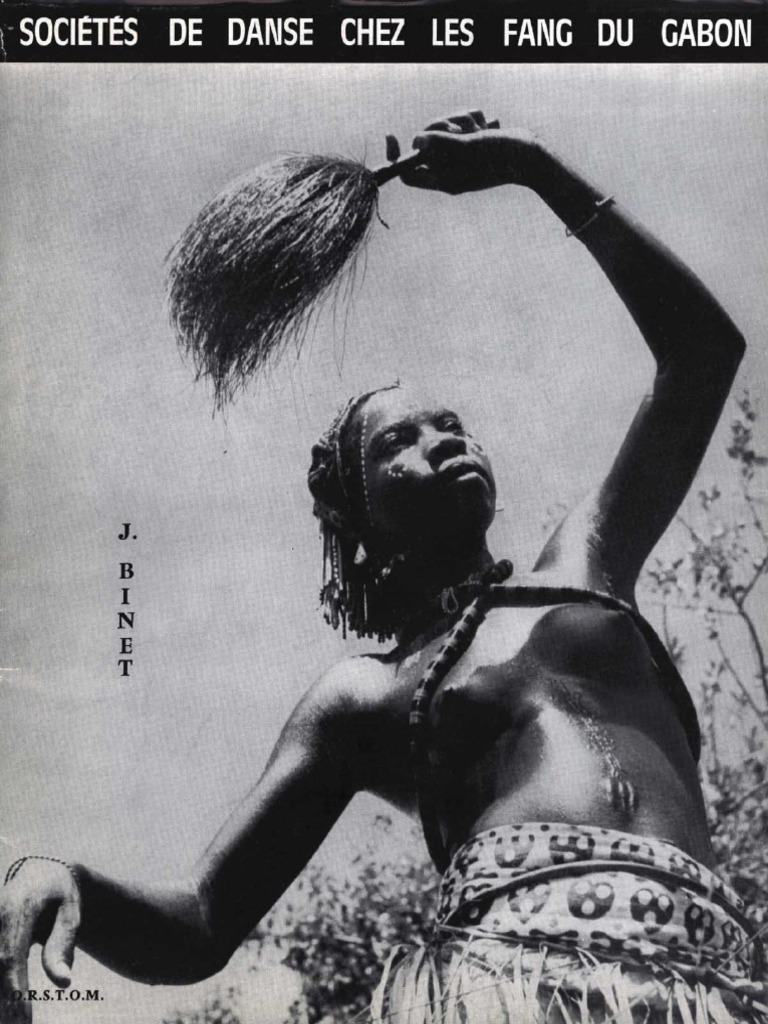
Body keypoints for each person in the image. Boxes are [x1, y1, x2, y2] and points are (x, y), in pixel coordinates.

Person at [0, 111, 763, 1024]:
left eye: (452, 425)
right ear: (359, 523)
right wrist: (67, 879)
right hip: (503, 986)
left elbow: (701, 355)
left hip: (714, 986)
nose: (443, 441)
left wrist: (536, 169)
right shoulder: (365, 694)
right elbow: (202, 921)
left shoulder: (585, 563)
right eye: (400, 441)